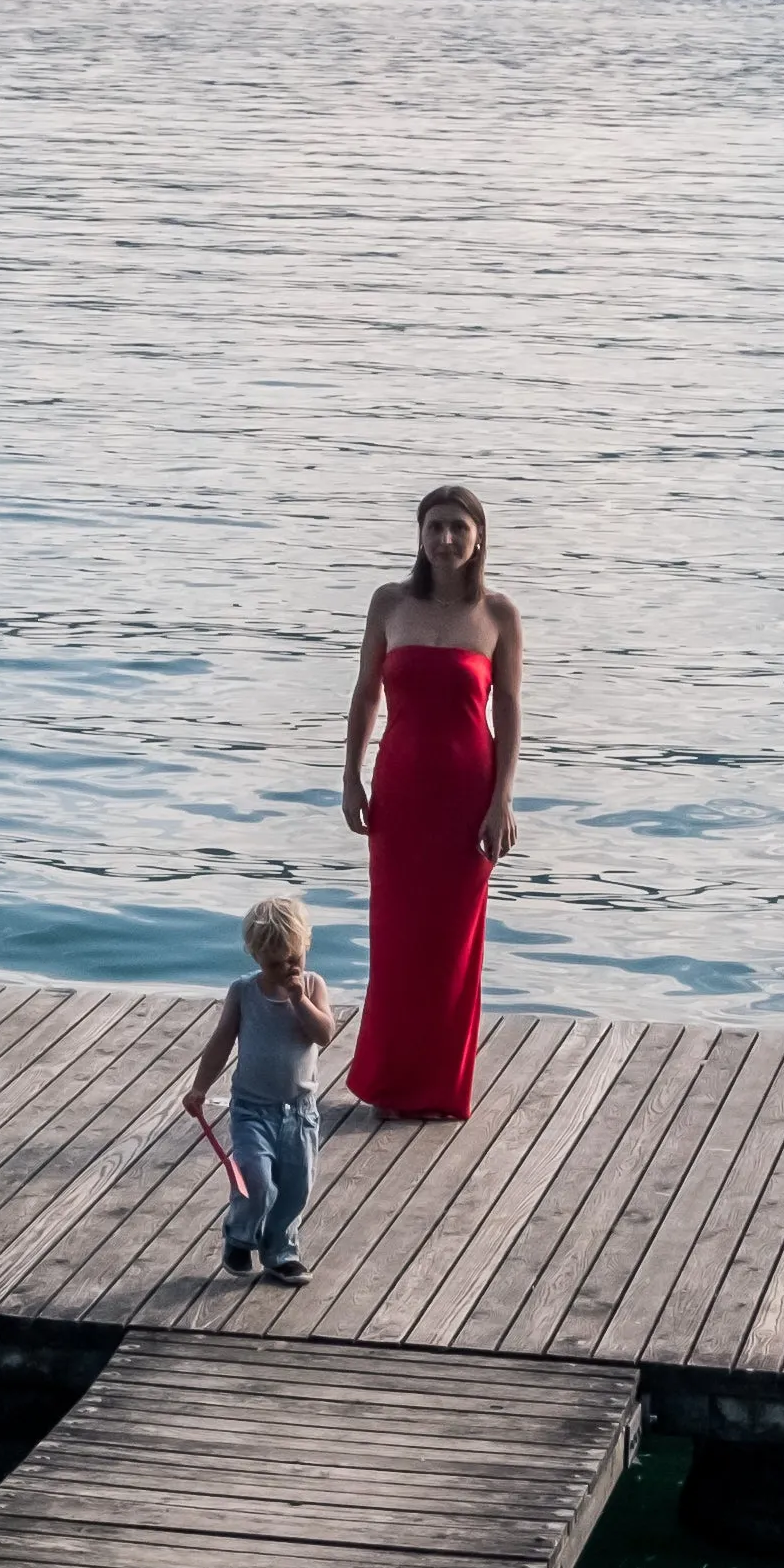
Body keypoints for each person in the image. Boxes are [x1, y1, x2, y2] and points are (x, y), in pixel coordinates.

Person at [341, 482, 519, 1119]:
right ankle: (389, 1084)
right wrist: (350, 777)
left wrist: (502, 800)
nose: (445, 539)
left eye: (457, 528)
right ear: (420, 535)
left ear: (477, 538)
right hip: (403, 791)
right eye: (435, 527)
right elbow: (366, 695)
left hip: (469, 795)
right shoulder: (390, 604)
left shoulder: (497, 615)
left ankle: (439, 1090)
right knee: (396, 941)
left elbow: (509, 712)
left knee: (453, 945)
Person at [187, 896, 342, 1283]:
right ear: (255, 957)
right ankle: (240, 1236)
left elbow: (323, 1034)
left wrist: (300, 999)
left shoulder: (311, 985)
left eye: (293, 960)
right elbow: (222, 1042)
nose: (287, 970)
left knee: (295, 1186)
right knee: (254, 1178)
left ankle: (280, 1250)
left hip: (299, 1111)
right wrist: (199, 1087)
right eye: (275, 964)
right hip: (252, 1109)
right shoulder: (244, 992)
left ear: (304, 948)